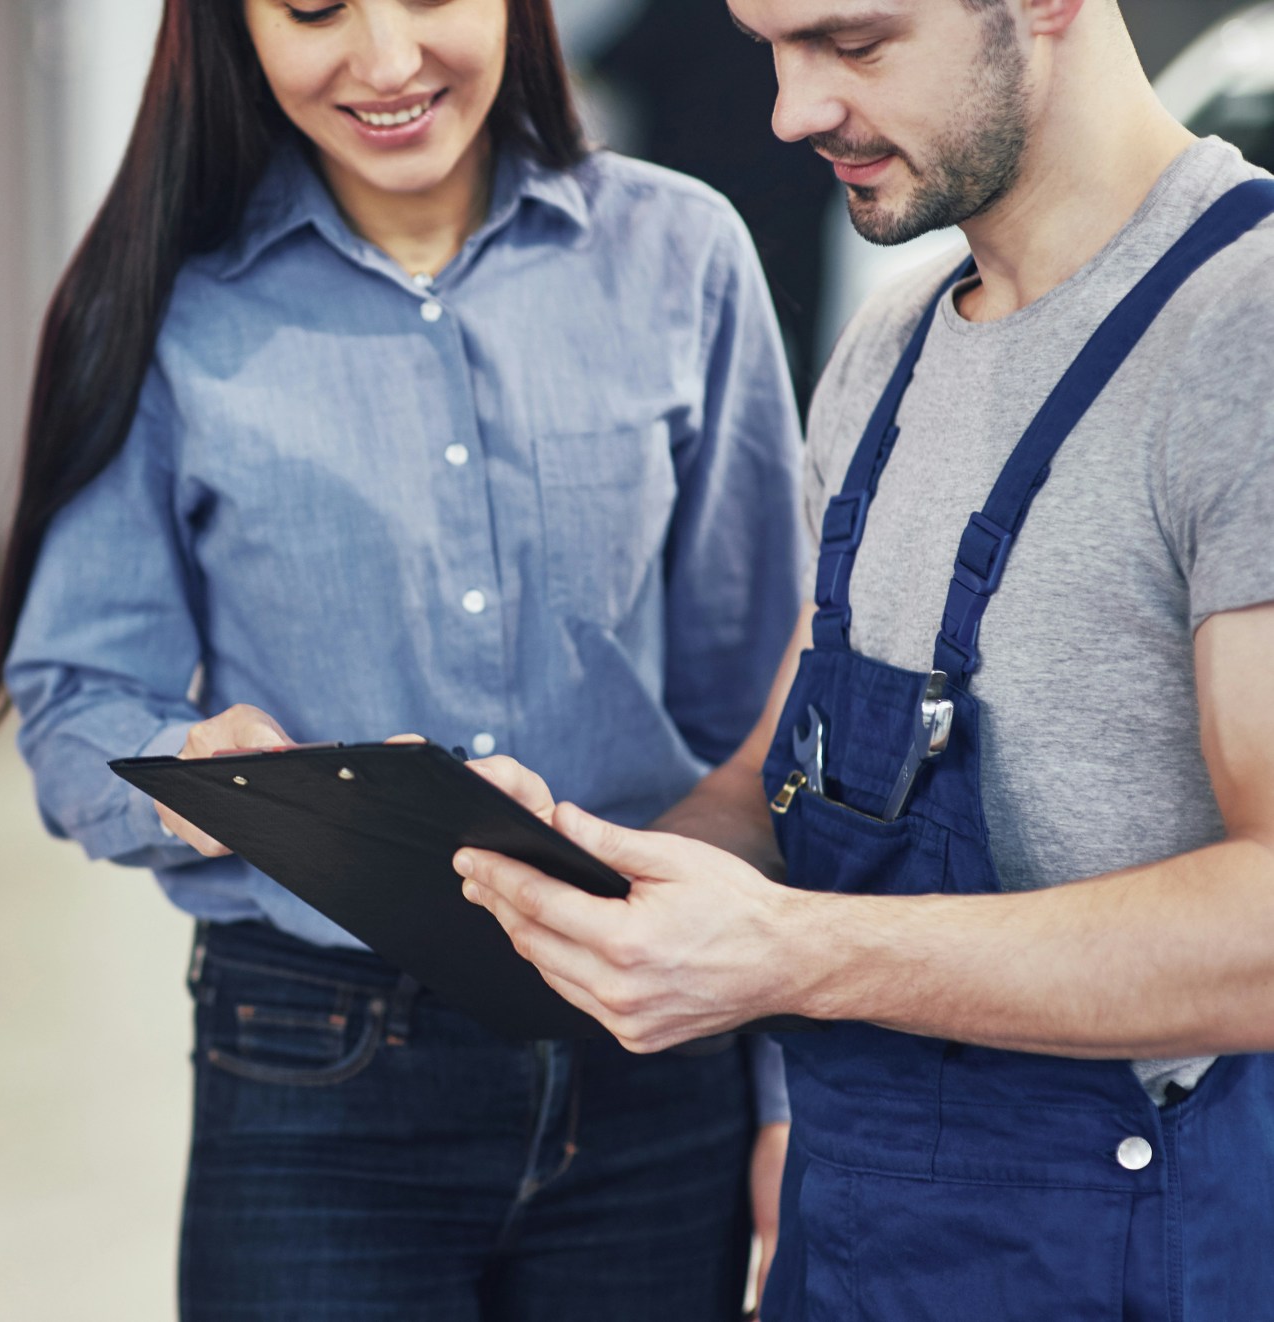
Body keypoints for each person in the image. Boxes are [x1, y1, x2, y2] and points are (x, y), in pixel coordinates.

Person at [0, 0, 807, 1316]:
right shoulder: (166, 303)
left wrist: (788, 1096)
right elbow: (74, 705)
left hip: (656, 1051)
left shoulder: (681, 254)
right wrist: (192, 770)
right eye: (313, 9)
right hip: (317, 1068)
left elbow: (769, 732)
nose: (387, 60)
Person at [453, 0, 1274, 1317]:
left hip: (1124, 1261)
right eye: (773, 46)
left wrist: (787, 951)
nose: (791, 110)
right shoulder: (886, 354)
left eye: (854, 42)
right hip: (857, 1253)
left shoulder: (1245, 325)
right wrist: (571, 868)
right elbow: (769, 796)